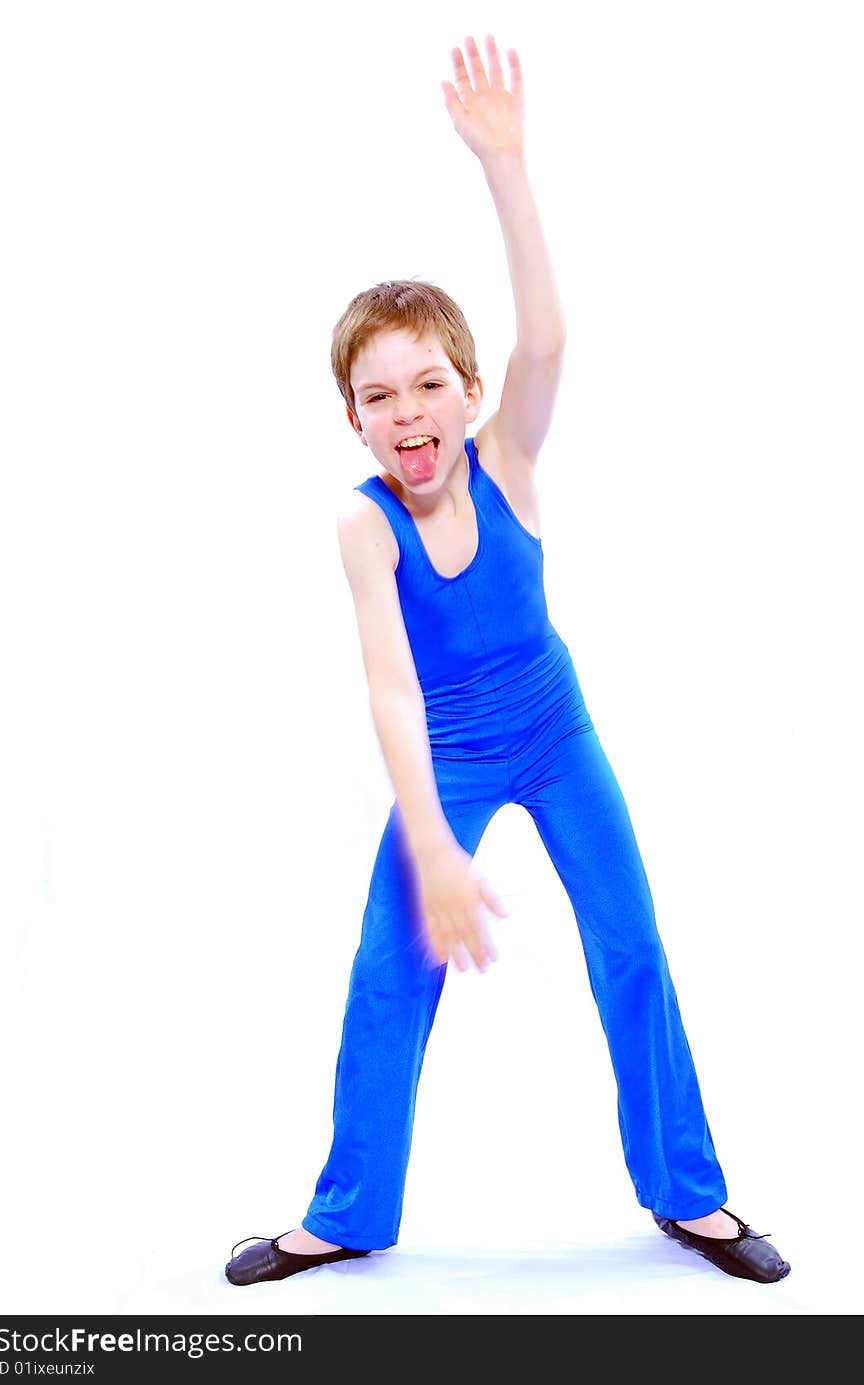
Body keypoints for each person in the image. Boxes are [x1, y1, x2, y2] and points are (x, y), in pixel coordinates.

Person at [225, 34, 789, 1289]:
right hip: (450, 752)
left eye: (429, 384)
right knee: (387, 973)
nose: (409, 410)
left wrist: (505, 168)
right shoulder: (362, 524)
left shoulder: (512, 461)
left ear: (469, 394)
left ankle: (688, 1194)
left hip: (556, 730)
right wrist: (430, 846)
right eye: (380, 397)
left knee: (630, 942)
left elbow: (545, 331)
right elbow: (387, 689)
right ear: (354, 421)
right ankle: (349, 1208)